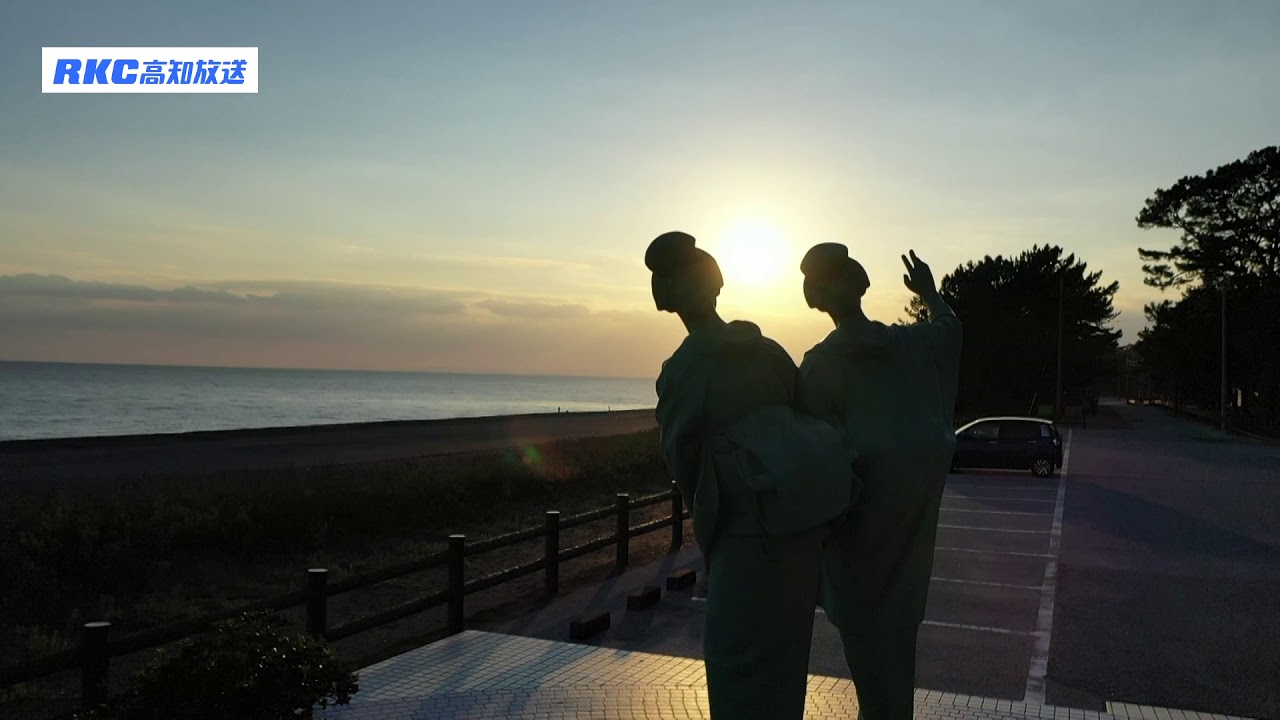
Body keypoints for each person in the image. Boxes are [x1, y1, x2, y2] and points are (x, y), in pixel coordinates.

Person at [647, 230, 857, 720]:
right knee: (784, 665)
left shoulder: (684, 370)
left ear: (668, 294)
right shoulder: (768, 352)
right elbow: (807, 415)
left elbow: (683, 464)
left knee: (733, 666)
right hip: (797, 535)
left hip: (744, 539)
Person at [796, 244, 962, 720]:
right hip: (907, 536)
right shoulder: (910, 346)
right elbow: (949, 332)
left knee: (871, 666)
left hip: (857, 547)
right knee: (896, 662)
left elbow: (816, 457)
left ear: (816, 298)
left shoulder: (821, 365)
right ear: (860, 286)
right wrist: (931, 293)